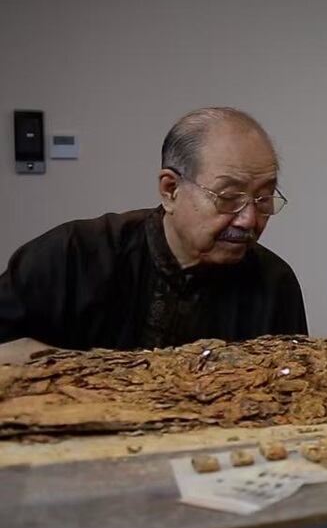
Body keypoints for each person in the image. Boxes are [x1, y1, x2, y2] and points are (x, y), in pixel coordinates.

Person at [0, 107, 307, 351]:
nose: (249, 220)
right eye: (228, 197)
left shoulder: (274, 283)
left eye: (263, 198)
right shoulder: (73, 255)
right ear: (170, 189)